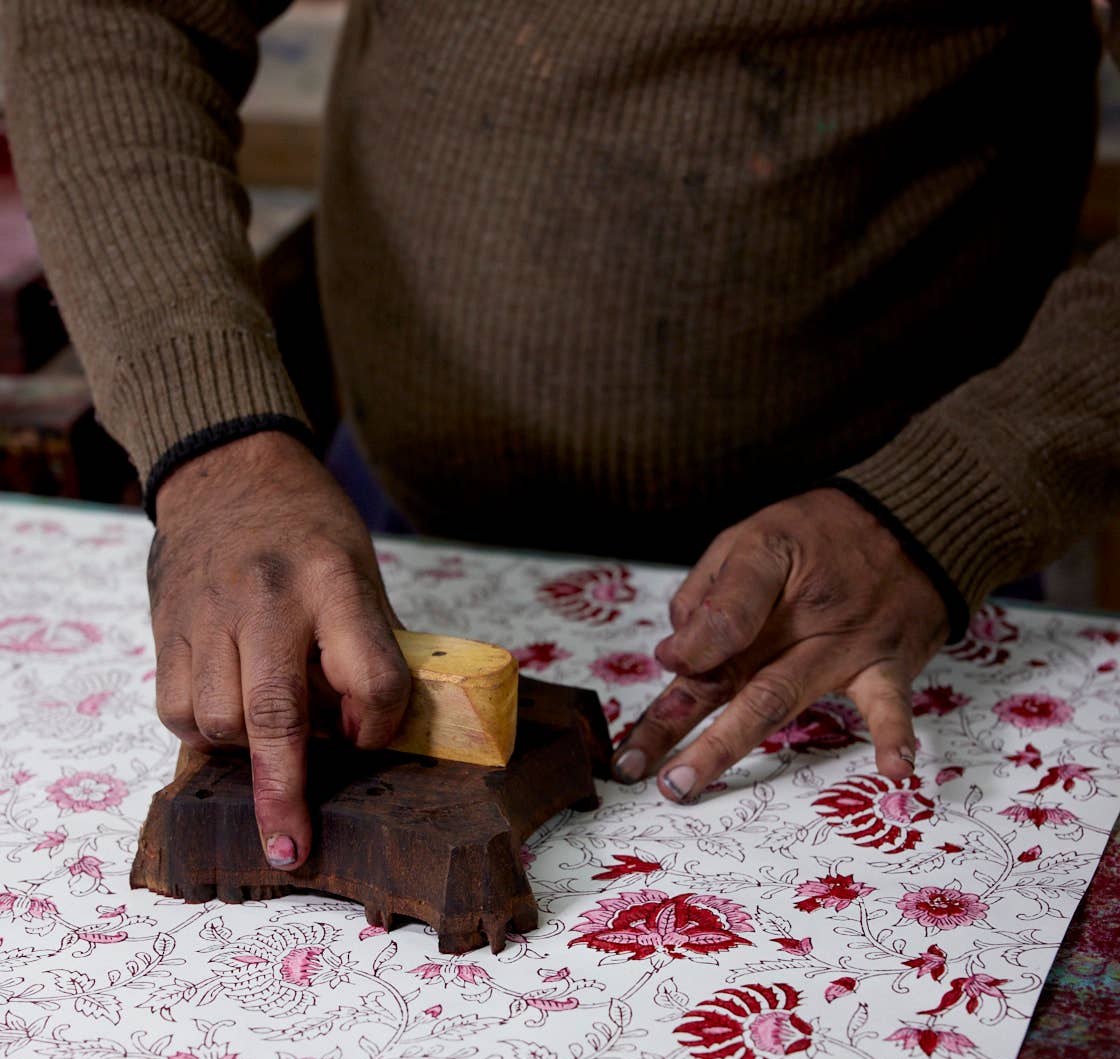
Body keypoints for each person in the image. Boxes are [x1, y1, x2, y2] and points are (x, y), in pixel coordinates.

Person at [4, 1, 1119, 875]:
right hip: (388, 516)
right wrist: (213, 448)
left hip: (885, 579)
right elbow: (109, 12)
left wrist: (958, 494)